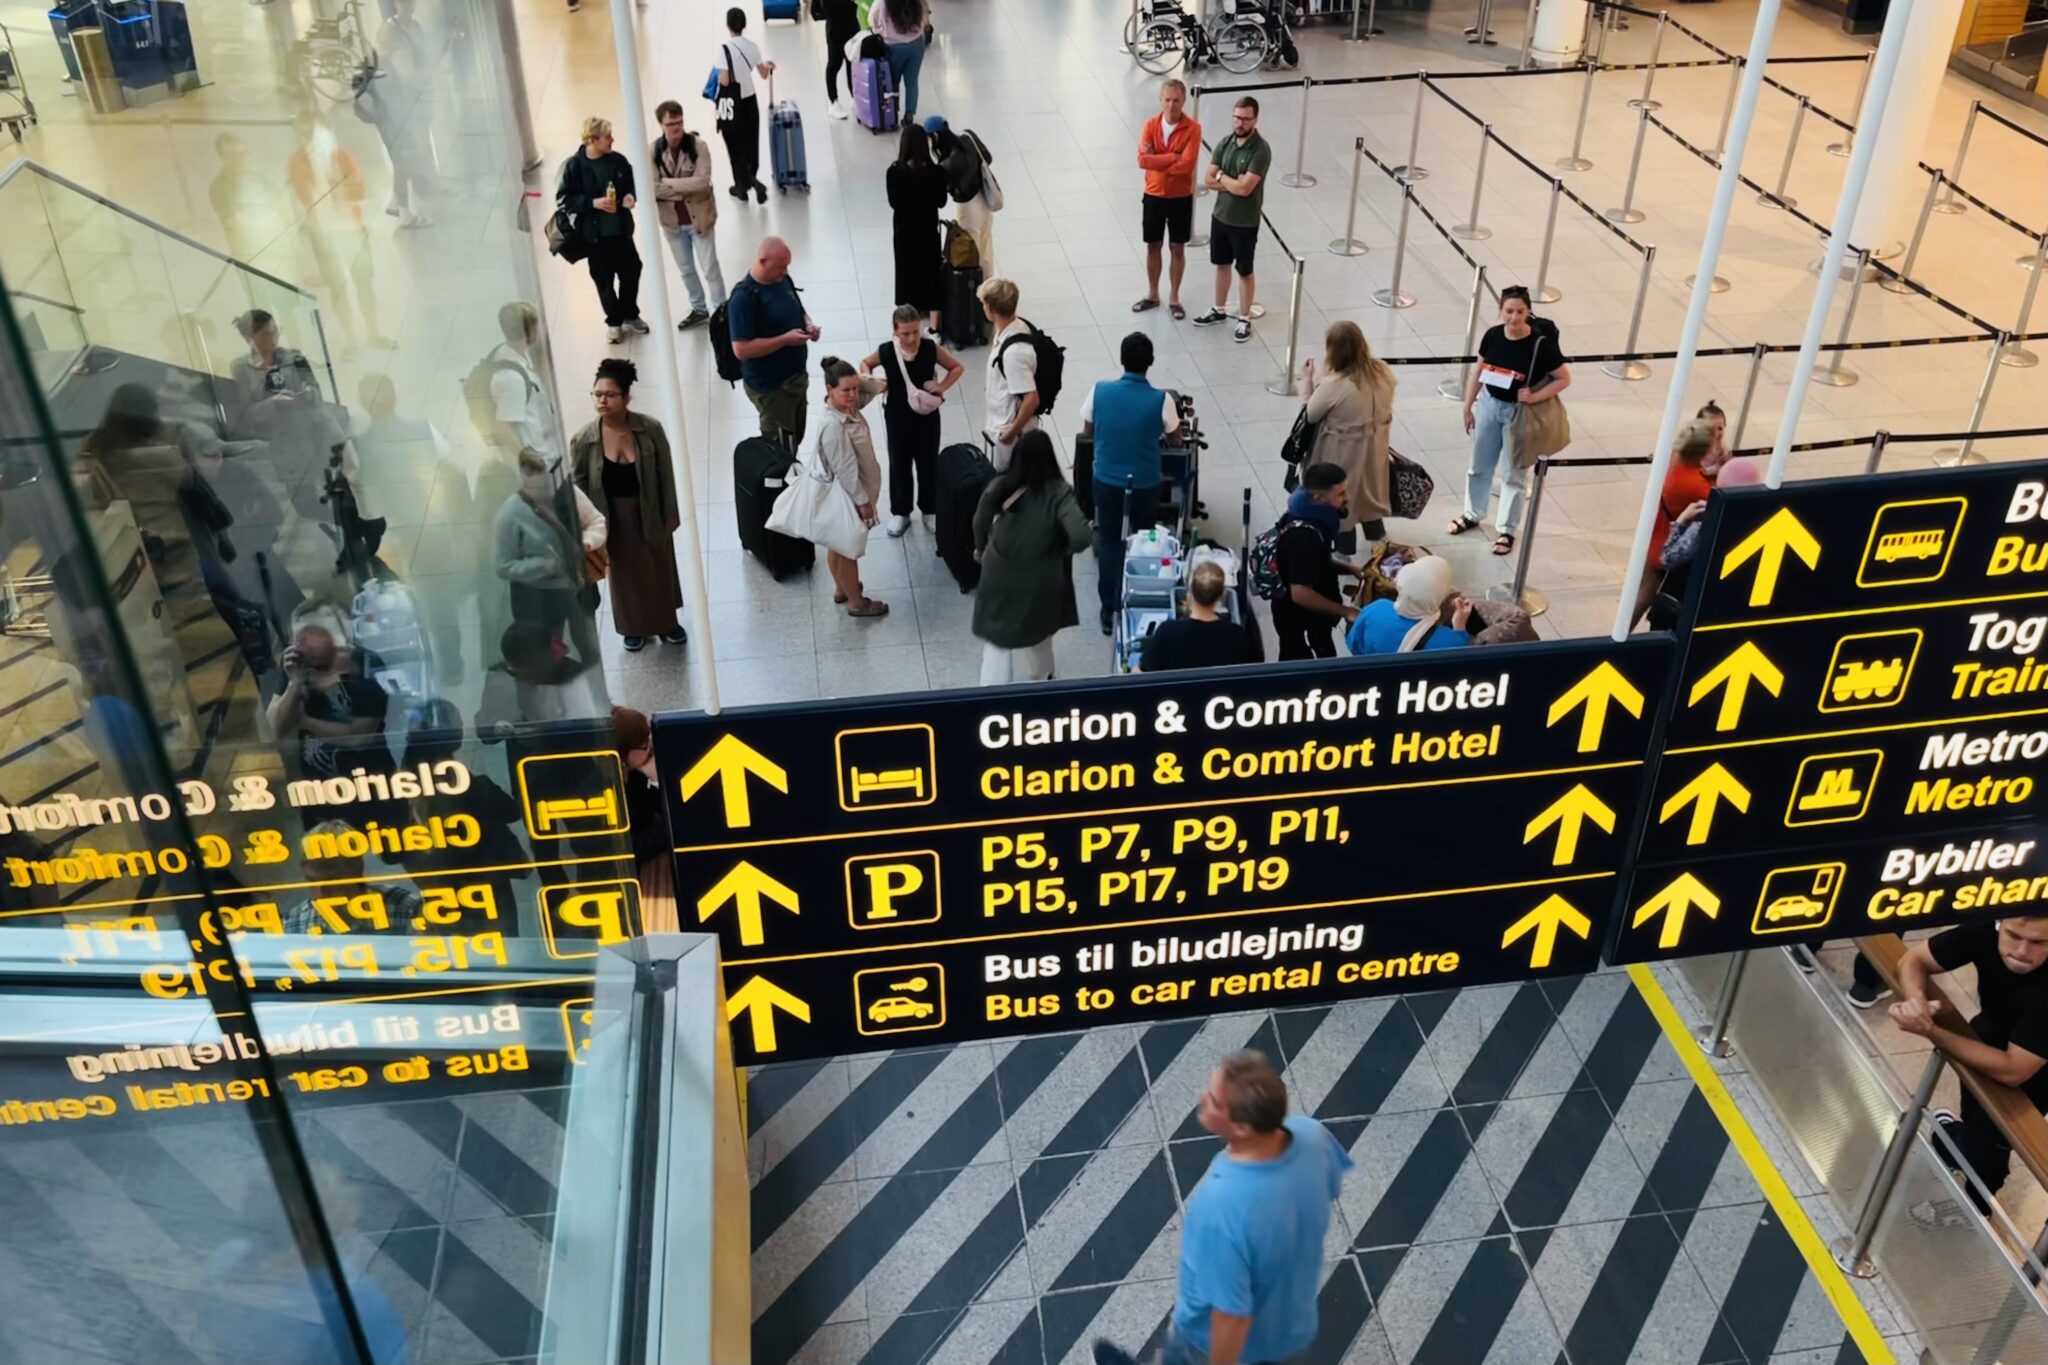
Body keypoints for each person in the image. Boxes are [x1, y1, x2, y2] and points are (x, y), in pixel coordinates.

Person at [1092, 1051, 1351, 1365]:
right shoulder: (1309, 1134)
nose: (1204, 1098)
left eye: (1214, 1100)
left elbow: (1231, 1317)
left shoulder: (1223, 1211)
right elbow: (1332, 1184)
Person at [1887, 918, 2048, 1200]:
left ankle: (1980, 1200)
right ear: (2001, 924)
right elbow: (1914, 959)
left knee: (1991, 1145)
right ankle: (1959, 1137)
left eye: (2038, 942)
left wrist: (1931, 1031)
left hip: (2036, 1080)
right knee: (1974, 1112)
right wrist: (1917, 1004)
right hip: (1986, 1037)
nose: (2022, 950)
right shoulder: (1985, 930)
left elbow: (2014, 1070)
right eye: (2014, 936)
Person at [571, 358, 687, 653]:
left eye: (610, 395)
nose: (603, 401)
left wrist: (671, 512)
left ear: (626, 397)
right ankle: (631, 627)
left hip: (648, 507)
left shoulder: (650, 429)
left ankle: (666, 622)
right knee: (623, 574)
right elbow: (580, 485)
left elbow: (666, 474)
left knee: (659, 565)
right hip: (611, 514)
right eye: (597, 395)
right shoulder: (585, 439)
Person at [1452, 285, 1572, 556]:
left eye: (1519, 312)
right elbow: (1479, 372)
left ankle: (1506, 529)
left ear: (1528, 312)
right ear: (1500, 311)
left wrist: (1535, 396)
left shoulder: (1540, 346)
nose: (1514, 318)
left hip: (1517, 413)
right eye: (1508, 311)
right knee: (1478, 465)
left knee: (1514, 472)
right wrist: (1468, 406)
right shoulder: (1493, 335)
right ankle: (1473, 514)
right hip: (1489, 406)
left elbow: (1564, 378)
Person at [1078, 332, 1183, 632]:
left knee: (1110, 542)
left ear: (1121, 360)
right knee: (1142, 539)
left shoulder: (1099, 392)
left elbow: (1088, 431)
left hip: (1107, 480)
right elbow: (1175, 437)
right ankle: (1140, 596)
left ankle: (1108, 610)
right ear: (1150, 363)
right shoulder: (1161, 400)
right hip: (1145, 483)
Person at [970, 430, 1092, 685]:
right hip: (1041, 578)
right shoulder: (1059, 493)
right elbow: (1081, 535)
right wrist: (1060, 550)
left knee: (997, 638)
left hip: (998, 571)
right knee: (1039, 634)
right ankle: (1042, 684)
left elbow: (980, 519)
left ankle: (989, 693)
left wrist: (981, 548)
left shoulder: (1002, 485)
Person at [287, 111, 393, 351]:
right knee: (337, 286)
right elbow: (309, 198)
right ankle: (349, 339)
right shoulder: (298, 163)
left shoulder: (343, 157)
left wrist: (333, 187)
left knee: (364, 282)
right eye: (304, 134)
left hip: (352, 230)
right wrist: (337, 188)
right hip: (324, 235)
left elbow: (360, 192)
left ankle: (373, 332)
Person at [495, 448, 608, 665]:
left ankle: (592, 689)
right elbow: (503, 565)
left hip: (576, 588)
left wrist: (585, 543)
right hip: (537, 597)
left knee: (588, 646)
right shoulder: (510, 512)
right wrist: (545, 566)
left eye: (543, 477)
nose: (538, 485)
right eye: (530, 476)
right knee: (543, 652)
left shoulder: (568, 493)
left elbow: (595, 521)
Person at [861, 304, 964, 537]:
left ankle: (929, 509)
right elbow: (866, 363)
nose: (911, 338)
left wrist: (941, 387)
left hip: (926, 417)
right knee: (899, 463)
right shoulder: (886, 351)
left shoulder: (930, 348)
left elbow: (956, 367)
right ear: (895, 331)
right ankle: (901, 511)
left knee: (928, 463)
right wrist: (872, 380)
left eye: (915, 332)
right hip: (897, 416)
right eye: (905, 333)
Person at [1298, 320, 1395, 552]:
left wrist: (1308, 382)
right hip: (1374, 450)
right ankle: (1381, 548)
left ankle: (1345, 557)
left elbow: (1310, 413)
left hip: (1341, 453)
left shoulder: (1336, 385)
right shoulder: (1382, 372)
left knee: (1343, 504)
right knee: (1368, 498)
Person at [557, 117, 646, 344]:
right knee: (604, 280)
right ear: (592, 140)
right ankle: (614, 321)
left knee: (632, 270)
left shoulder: (618, 161)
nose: (612, 140)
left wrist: (630, 196)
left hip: (621, 232)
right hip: (595, 238)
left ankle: (629, 312)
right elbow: (565, 199)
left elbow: (633, 183)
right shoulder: (574, 166)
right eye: (607, 137)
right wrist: (592, 203)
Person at [813, 356, 890, 618]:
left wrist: (859, 380)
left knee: (837, 544)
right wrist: (863, 502)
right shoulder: (834, 425)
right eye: (846, 390)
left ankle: (841, 589)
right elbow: (846, 469)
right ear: (829, 390)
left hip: (847, 496)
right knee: (848, 549)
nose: (854, 394)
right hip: (849, 496)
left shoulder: (848, 408)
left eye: (854, 388)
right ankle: (857, 602)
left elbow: (877, 386)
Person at [1191, 97, 1271, 345]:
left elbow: (1245, 189)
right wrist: (1230, 181)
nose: (1240, 122)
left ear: (1255, 120)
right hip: (1221, 216)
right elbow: (1208, 178)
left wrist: (1223, 177)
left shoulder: (1260, 150)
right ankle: (1219, 308)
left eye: (1245, 118)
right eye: (1237, 117)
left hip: (1245, 221)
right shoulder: (1225, 143)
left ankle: (1244, 317)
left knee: (1245, 269)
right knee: (1221, 264)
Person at [728, 237, 820, 445]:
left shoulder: (781, 280)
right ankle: (784, 477)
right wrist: (784, 340)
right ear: (762, 261)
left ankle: (793, 474)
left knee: (795, 436)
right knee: (779, 447)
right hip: (772, 388)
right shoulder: (744, 299)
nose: (785, 271)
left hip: (795, 379)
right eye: (780, 266)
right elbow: (741, 349)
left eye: (787, 266)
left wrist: (809, 324)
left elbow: (798, 308)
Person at [1630, 417, 1718, 625]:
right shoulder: (1696, 486)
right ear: (1704, 451)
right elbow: (1714, 505)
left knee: (1644, 591)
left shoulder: (1673, 461)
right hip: (1667, 541)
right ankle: (1620, 637)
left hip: (1656, 530)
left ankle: (1622, 633)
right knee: (1646, 596)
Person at [1270, 462, 1360, 661]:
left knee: (1324, 649)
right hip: (1297, 618)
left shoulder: (1306, 514)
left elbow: (1316, 562)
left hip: (1310, 612)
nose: (1347, 498)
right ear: (1319, 498)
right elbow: (1301, 594)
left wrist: (1352, 569)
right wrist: (1347, 611)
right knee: (1298, 662)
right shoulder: (1305, 538)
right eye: (1340, 494)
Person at [652, 99, 726, 329]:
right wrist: (685, 185)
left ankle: (722, 311)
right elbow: (651, 186)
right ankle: (699, 308)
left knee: (710, 267)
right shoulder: (653, 151)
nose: (677, 128)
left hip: (700, 220)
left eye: (680, 122)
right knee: (686, 270)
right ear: (661, 125)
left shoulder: (698, 146)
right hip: (673, 224)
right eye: (671, 123)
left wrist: (669, 185)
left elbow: (703, 182)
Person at [367, 0, 439, 227]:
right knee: (405, 155)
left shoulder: (414, 27)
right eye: (403, 2)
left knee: (411, 152)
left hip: (416, 98)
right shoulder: (388, 30)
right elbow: (379, 62)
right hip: (399, 103)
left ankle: (402, 200)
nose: (408, 5)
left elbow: (424, 56)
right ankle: (403, 211)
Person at [281, 820, 424, 933]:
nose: (320, 895)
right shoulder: (293, 924)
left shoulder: (407, 909)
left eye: (331, 882)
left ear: (356, 870)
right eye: (311, 882)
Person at [1135, 79, 1201, 320]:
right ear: (1160, 101)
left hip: (1180, 197)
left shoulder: (1193, 129)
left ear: (1184, 101)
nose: (1171, 105)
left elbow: (1187, 166)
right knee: (1153, 245)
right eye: (1167, 99)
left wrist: (1158, 160)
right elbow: (1142, 160)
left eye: (1176, 100)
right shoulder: (1150, 126)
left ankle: (1174, 296)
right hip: (1153, 194)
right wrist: (1172, 157)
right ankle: (1153, 293)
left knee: (1177, 247)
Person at [612, 705, 677, 921]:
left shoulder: (631, 776)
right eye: (644, 743)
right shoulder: (609, 793)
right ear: (623, 754)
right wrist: (673, 824)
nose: (650, 745)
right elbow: (633, 847)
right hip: (620, 893)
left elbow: (655, 806)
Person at [888, 123, 949, 336]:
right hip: (928, 232)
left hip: (905, 233)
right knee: (932, 275)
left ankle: (905, 323)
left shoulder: (894, 173)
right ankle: (934, 327)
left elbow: (893, 202)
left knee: (905, 273)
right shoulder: (937, 172)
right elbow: (941, 201)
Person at [483, 301, 562, 465]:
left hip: (545, 448)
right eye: (535, 326)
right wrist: (528, 459)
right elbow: (503, 426)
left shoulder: (510, 354)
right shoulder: (511, 378)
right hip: (538, 458)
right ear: (529, 333)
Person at [1347, 555, 1473, 654]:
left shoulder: (1376, 609)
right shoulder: (1449, 641)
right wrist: (1459, 628)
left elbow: (1353, 644)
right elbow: (1457, 664)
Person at [1141, 561, 1254, 671]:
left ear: (1190, 592)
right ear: (1222, 595)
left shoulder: (1167, 632)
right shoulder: (1236, 635)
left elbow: (1144, 672)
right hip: (1222, 690)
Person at [713, 7, 775, 204]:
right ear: (744, 25)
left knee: (734, 146)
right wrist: (769, 65)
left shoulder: (724, 50)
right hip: (750, 101)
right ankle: (751, 177)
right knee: (750, 143)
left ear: (728, 25)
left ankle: (745, 186)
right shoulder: (753, 47)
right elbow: (764, 74)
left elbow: (724, 80)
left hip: (732, 104)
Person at [979, 278, 1038, 470]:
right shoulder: (1013, 328)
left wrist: (1011, 433)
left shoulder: (1014, 352)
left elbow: (1031, 399)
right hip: (1002, 425)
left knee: (1007, 484)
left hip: (1010, 434)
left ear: (990, 308)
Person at [928, 118, 997, 278]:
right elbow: (988, 157)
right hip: (984, 199)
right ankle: (989, 287)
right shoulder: (968, 136)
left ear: (936, 137)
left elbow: (943, 192)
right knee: (986, 249)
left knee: (971, 253)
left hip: (967, 209)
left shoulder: (947, 163)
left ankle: (975, 293)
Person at [872, 0, 931, 120]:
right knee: (912, 82)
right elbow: (925, 14)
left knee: (893, 82)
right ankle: (909, 115)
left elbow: (873, 19)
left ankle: (893, 113)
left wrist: (881, 31)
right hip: (916, 44)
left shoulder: (883, 2)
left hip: (894, 47)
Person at [823, 0, 860, 118]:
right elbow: (827, 7)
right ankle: (833, 101)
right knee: (834, 63)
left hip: (851, 26)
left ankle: (854, 96)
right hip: (835, 29)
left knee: (852, 63)